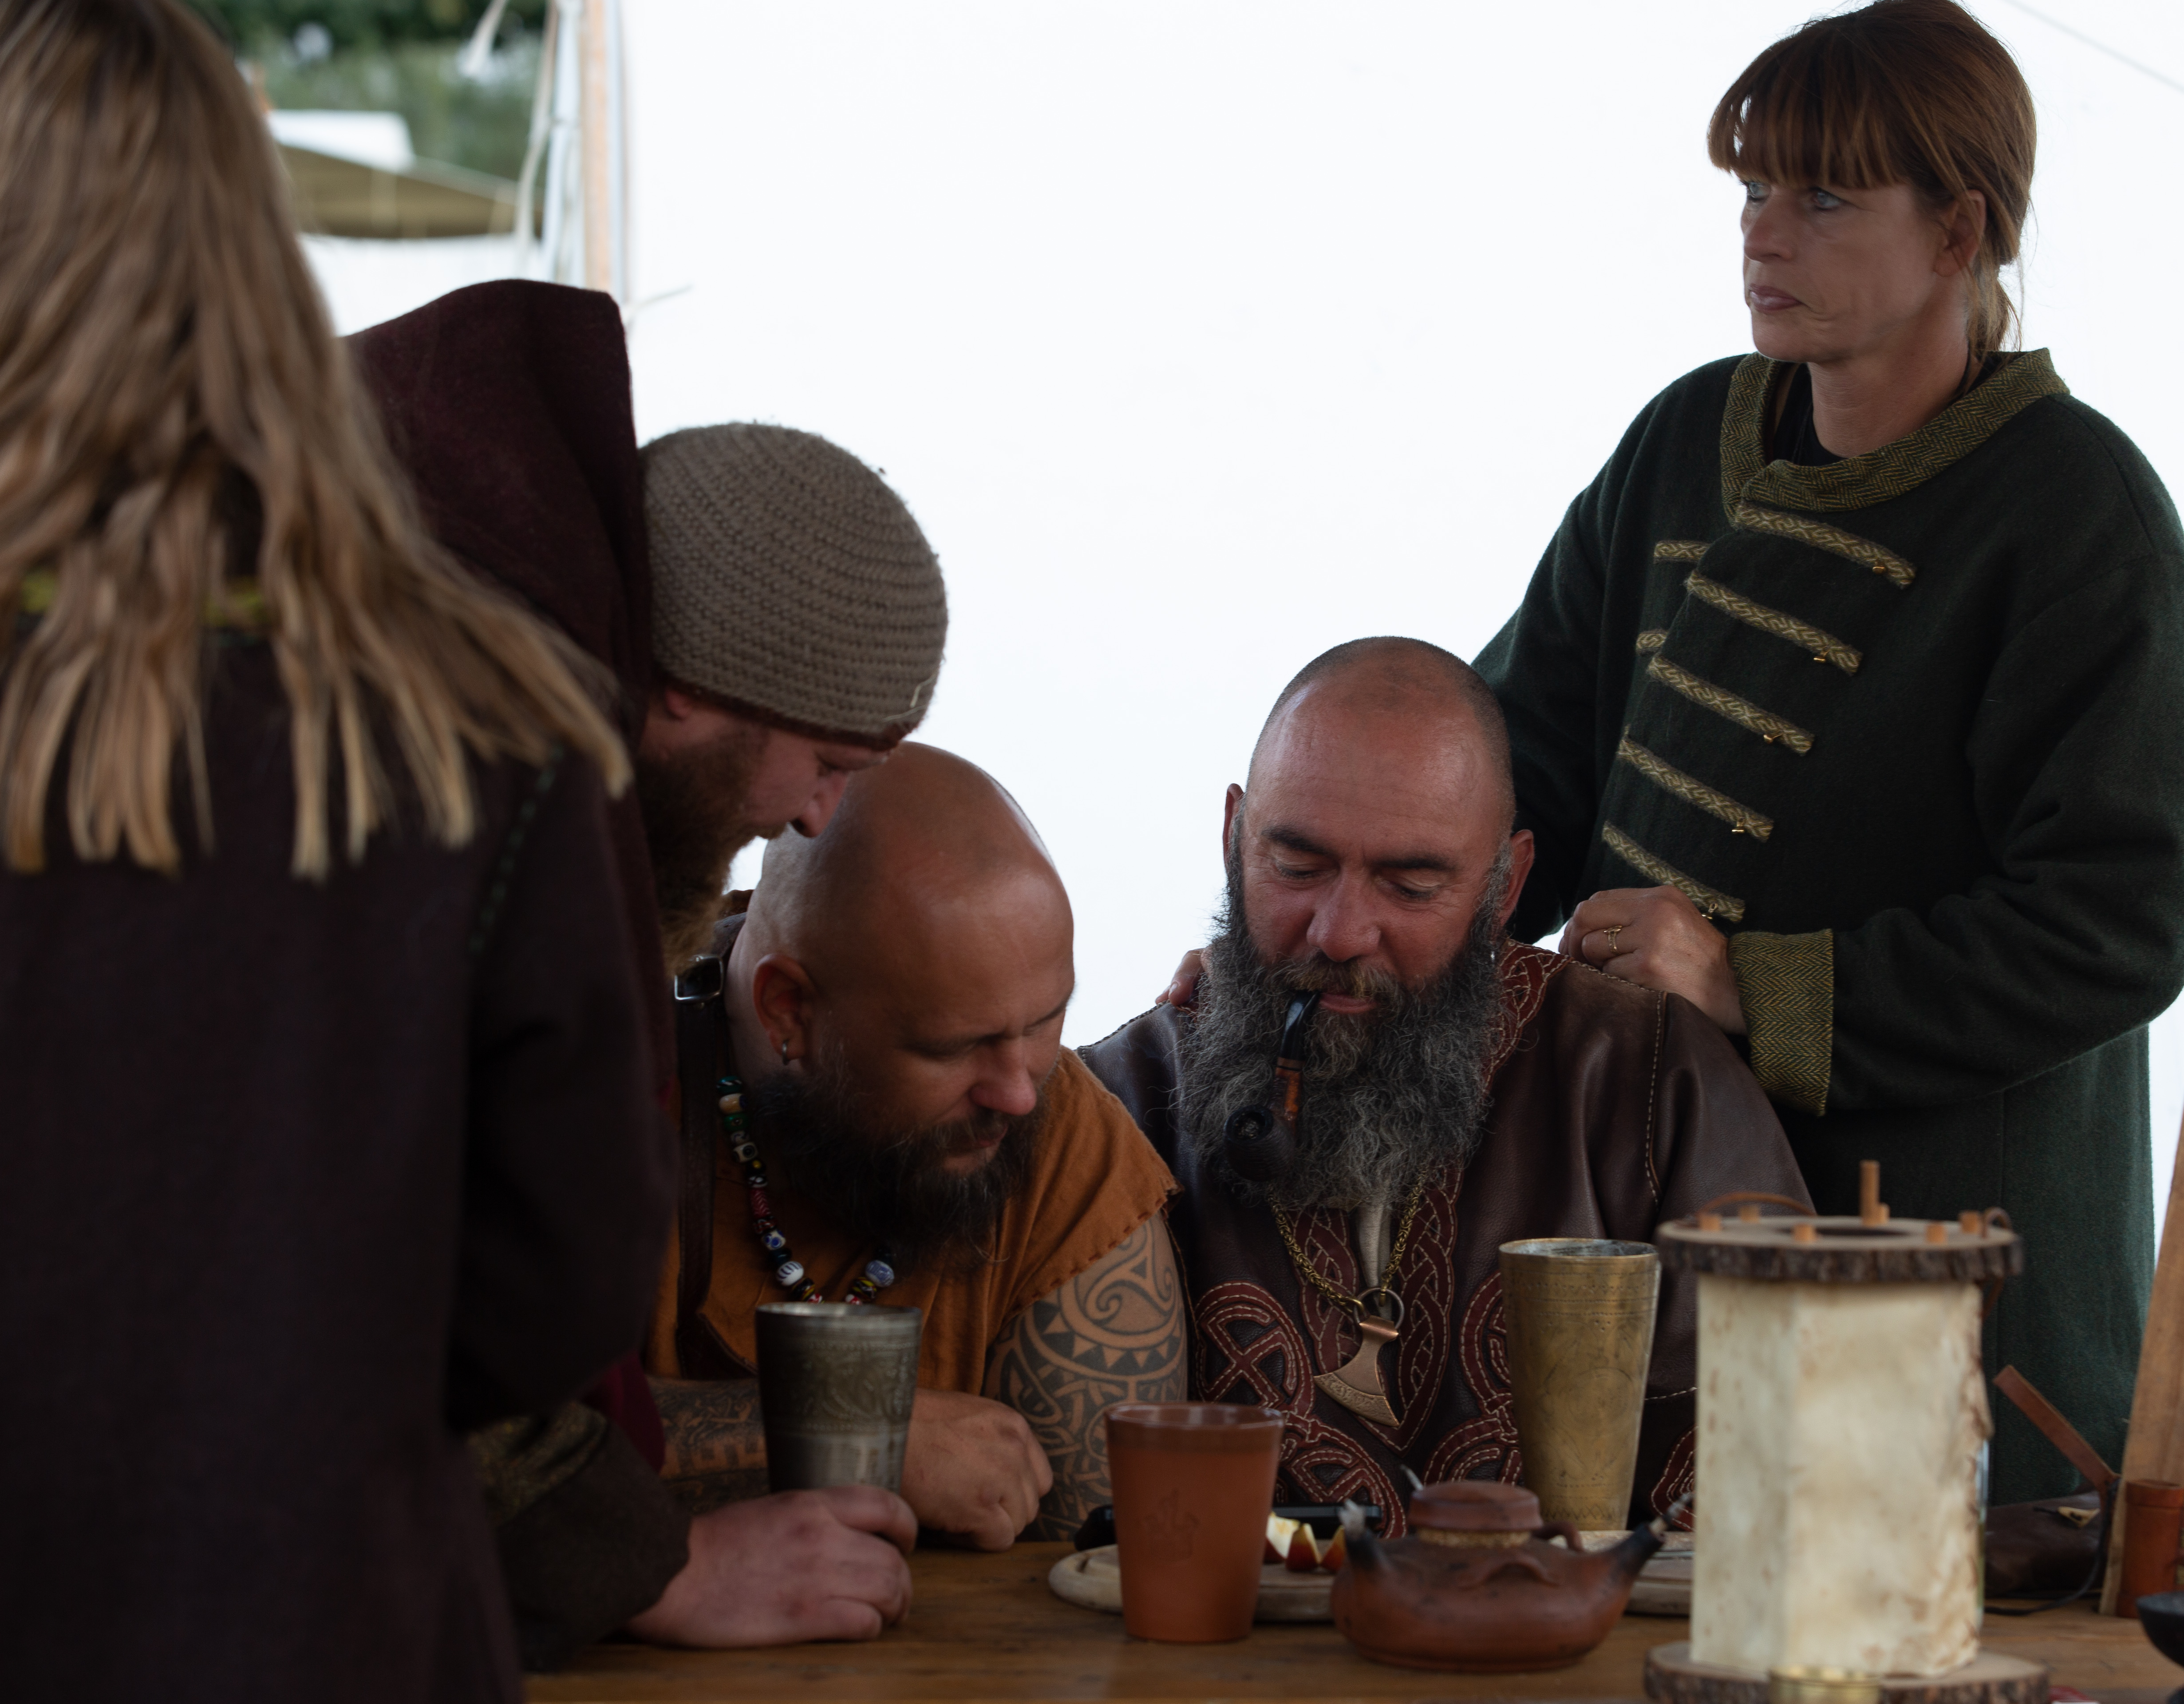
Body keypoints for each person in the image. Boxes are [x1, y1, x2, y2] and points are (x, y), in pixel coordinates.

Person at [0, 0, 730, 1696]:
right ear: (259, 262)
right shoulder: (489, 719)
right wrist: (302, 1379)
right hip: (330, 1615)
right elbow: (562, 1286)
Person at [1468, 0, 2184, 1502]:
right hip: (1653, 1214)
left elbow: (2113, 923)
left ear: (1959, 232)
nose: (1763, 234)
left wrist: (1749, 984)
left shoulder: (2078, 516)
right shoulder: (1685, 438)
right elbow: (1518, 761)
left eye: (1822, 196)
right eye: (1755, 188)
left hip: (1941, 1263)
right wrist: (1370, 914)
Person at [351, 287, 951, 1657]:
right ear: (687, 685)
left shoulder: (509, 725)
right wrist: (648, 1570)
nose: (816, 818)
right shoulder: (445, 786)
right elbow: (372, 1253)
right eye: (829, 761)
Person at [1083, 639, 1805, 1531]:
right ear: (1234, 838)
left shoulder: (1650, 1082)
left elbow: (1793, 1484)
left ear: (1505, 888)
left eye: (1412, 885)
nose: (1340, 932)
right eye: (1297, 867)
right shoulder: (1115, 1105)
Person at [646, 744, 1185, 1538]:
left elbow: (1106, 1561)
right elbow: (483, 1452)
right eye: (952, 1049)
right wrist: (858, 1439)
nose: (1019, 1093)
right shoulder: (590, 1090)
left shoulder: (1065, 1136)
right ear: (787, 1009)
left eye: (1046, 1022)